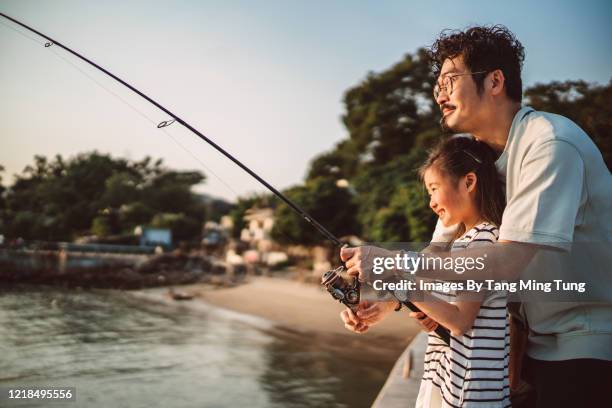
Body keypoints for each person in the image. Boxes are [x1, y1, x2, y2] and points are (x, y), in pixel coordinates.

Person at [340, 25, 612, 407]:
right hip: (521, 342)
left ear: (495, 81)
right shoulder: (474, 162)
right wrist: (385, 301)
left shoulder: (549, 144)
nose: (440, 94)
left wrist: (390, 261)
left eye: (450, 80)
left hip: (585, 338)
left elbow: (503, 262)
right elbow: (438, 256)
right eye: (437, 85)